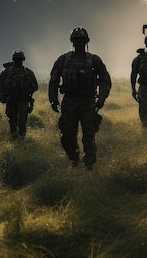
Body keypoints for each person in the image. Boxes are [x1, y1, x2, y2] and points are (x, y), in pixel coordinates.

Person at [48, 27, 112, 169]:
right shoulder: (63, 60)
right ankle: (74, 160)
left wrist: (101, 99)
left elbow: (105, 80)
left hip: (88, 101)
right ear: (72, 42)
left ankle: (89, 164)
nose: (79, 43)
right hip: (69, 101)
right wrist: (53, 99)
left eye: (82, 41)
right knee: (67, 135)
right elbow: (54, 79)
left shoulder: (94, 60)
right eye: (77, 40)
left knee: (89, 136)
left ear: (86, 41)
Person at [0, 49, 39, 139]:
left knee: (17, 121)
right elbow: (35, 86)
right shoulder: (27, 72)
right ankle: (18, 138)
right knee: (16, 120)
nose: (19, 61)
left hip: (18, 99)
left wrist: (2, 96)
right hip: (17, 99)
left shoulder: (8, 72)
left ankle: (18, 138)